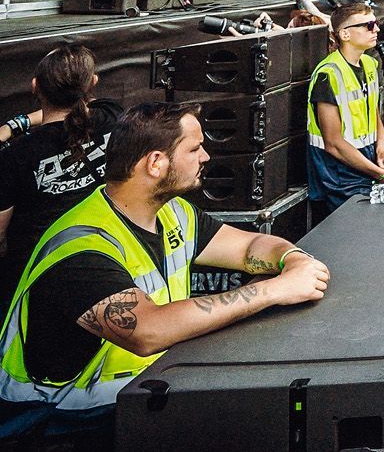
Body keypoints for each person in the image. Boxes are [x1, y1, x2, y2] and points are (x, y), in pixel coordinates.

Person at [0, 103, 329, 447]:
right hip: (55, 424)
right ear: (156, 163)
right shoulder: (81, 247)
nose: (205, 156)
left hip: (131, 400)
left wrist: (291, 259)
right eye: (194, 148)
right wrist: (273, 291)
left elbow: (250, 248)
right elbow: (148, 331)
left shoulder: (175, 213)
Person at [0, 46, 120, 298]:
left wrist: (13, 125)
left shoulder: (16, 155)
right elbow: (84, 110)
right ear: (93, 83)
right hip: (108, 257)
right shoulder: (113, 116)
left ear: (35, 86)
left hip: (35, 277)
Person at [305, 4, 384, 212]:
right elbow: (333, 143)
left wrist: (382, 147)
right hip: (339, 176)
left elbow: (373, 112)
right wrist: (380, 174)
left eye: (376, 24)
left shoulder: (370, 64)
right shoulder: (328, 74)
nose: (376, 30)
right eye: (369, 25)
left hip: (366, 164)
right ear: (344, 34)